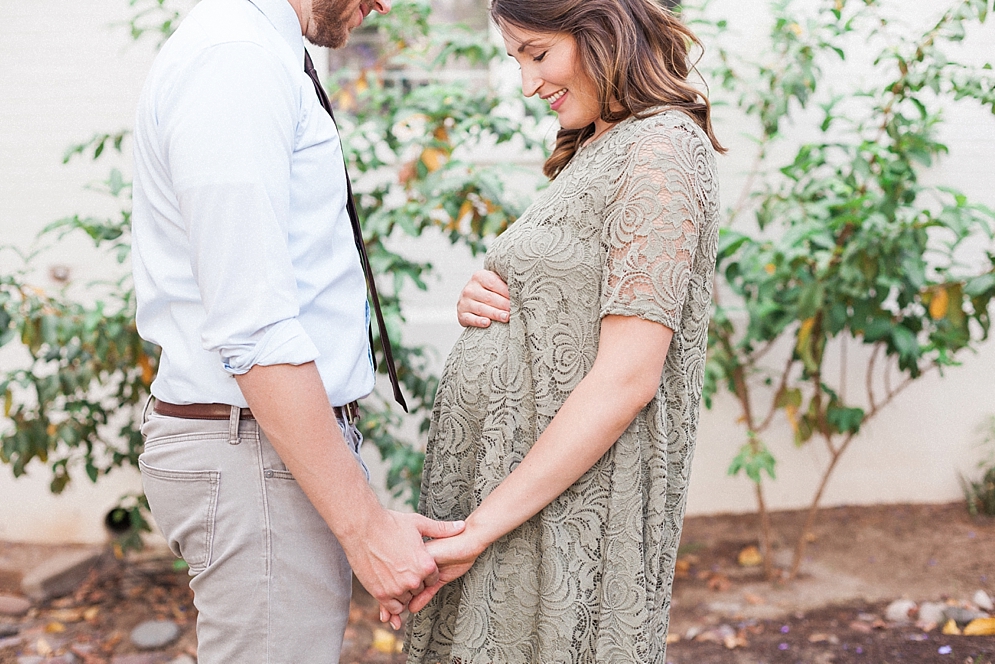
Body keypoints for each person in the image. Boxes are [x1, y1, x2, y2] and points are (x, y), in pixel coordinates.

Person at [130, 0, 465, 661]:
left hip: (264, 442)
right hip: (252, 445)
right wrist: (364, 527)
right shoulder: (236, 59)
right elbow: (251, 324)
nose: (384, 5)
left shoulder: (254, 50)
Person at [401, 0, 724, 661]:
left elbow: (628, 377)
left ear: (602, 28)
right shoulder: (599, 144)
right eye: (514, 61)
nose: (528, 85)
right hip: (514, 492)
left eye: (537, 54)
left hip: (563, 510)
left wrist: (480, 529)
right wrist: (492, 297)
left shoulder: (661, 147)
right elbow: (572, 291)